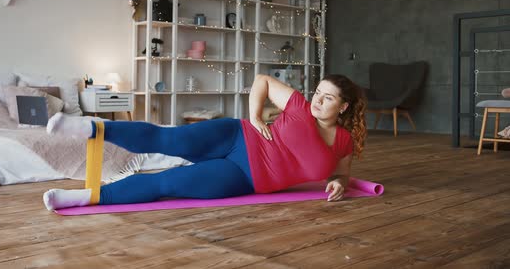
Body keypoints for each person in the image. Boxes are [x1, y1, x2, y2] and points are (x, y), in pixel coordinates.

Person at [43, 74, 367, 210]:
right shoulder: (298, 106)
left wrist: (339, 183)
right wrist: (255, 116)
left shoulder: (343, 141)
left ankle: (82, 198)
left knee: (167, 183)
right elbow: (262, 81)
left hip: (246, 178)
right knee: (165, 138)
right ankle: (88, 126)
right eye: (317, 93)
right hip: (235, 135)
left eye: (328, 99)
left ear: (344, 106)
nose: (318, 101)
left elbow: (340, 173)